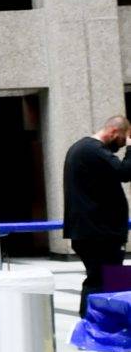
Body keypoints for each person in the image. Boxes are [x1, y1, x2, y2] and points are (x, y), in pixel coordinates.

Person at [63, 113, 131, 313]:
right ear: (113, 132)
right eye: (122, 140)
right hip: (99, 234)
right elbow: (125, 171)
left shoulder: (82, 149)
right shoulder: (93, 150)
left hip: (93, 231)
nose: (121, 146)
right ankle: (94, 325)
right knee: (101, 281)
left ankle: (107, 323)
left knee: (108, 279)